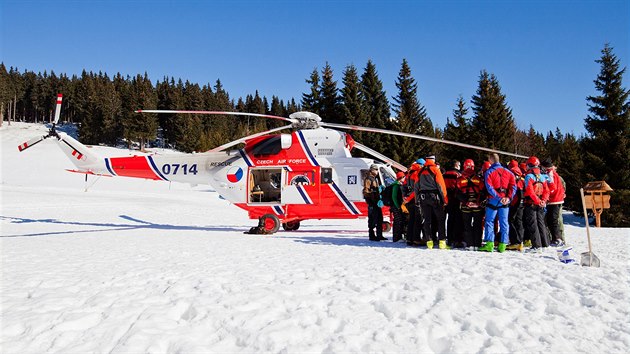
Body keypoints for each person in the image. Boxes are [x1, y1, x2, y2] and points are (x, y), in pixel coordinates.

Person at [479, 154, 516, 253]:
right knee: (504, 222)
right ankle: (503, 245)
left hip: (494, 200)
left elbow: (489, 187)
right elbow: (513, 187)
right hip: (505, 201)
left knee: (489, 221)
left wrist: (498, 197)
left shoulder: (489, 172)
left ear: (491, 160)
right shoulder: (509, 172)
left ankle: (489, 244)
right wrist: (508, 198)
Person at [415, 155, 448, 249]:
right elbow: (441, 186)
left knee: (427, 220)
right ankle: (442, 242)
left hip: (423, 198)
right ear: (433, 160)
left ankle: (429, 242)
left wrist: (417, 199)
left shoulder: (420, 171)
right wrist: (445, 199)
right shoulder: (435, 170)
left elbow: (416, 186)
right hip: (435, 197)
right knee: (440, 219)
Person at [455, 159, 486, 249]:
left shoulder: (460, 179)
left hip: (466, 205)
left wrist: (466, 202)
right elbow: (483, 192)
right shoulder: (478, 179)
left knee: (467, 224)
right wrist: (477, 202)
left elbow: (457, 193)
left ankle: (469, 244)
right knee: (478, 224)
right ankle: (477, 243)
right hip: (477, 205)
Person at [523, 156, 550, 251]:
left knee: (533, 224)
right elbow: (547, 190)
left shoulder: (528, 176)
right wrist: (543, 201)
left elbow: (530, 191)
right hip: (540, 203)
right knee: (541, 223)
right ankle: (545, 243)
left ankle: (536, 245)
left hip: (531, 203)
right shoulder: (542, 177)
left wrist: (538, 201)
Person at [542, 159, 566, 246]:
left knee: (553, 220)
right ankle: (556, 238)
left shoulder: (550, 174)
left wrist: (546, 194)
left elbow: (552, 187)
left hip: (554, 200)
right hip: (556, 199)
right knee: (551, 220)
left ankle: (557, 238)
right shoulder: (553, 173)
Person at [402, 159, 424, 246]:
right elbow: (417, 189)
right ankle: (416, 239)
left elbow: (403, 187)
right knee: (417, 220)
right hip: (415, 199)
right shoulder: (418, 173)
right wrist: (410, 197)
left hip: (408, 200)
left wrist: (405, 197)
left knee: (411, 219)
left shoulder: (408, 174)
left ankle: (409, 239)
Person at [363, 164, 386, 241]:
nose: (377, 171)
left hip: (376, 202)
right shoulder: (369, 179)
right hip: (372, 203)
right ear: (372, 170)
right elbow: (366, 191)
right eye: (375, 169)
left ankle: (379, 235)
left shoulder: (374, 179)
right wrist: (370, 201)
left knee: (379, 219)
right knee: (372, 220)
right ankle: (372, 235)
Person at [506, 160, 526, 251]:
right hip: (522, 202)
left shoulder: (512, 173)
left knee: (510, 221)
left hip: (515, 201)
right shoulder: (522, 175)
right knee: (519, 222)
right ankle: (520, 241)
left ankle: (515, 242)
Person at [443, 160, 463, 246]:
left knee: (450, 218)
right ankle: (457, 239)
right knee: (458, 218)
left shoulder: (445, 174)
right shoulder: (458, 175)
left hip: (447, 198)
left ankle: (450, 238)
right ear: (457, 165)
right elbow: (460, 186)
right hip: (456, 198)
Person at [391, 171, 407, 242]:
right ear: (402, 177)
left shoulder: (398, 184)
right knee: (398, 221)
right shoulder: (396, 185)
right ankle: (397, 237)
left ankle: (398, 236)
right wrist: (398, 206)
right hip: (396, 206)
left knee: (399, 221)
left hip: (397, 206)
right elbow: (394, 197)